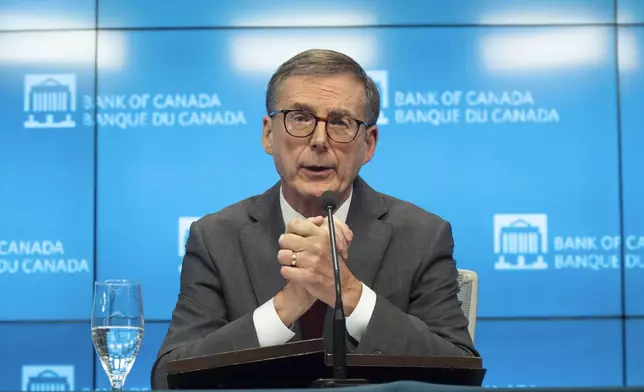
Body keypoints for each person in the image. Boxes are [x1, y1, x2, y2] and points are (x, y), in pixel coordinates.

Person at [151, 49, 479, 389]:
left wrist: (349, 293)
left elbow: (460, 375)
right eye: (300, 117)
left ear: (369, 143)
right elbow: (168, 378)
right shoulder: (215, 237)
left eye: (340, 122)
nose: (319, 140)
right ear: (268, 134)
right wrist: (285, 306)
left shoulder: (422, 235)